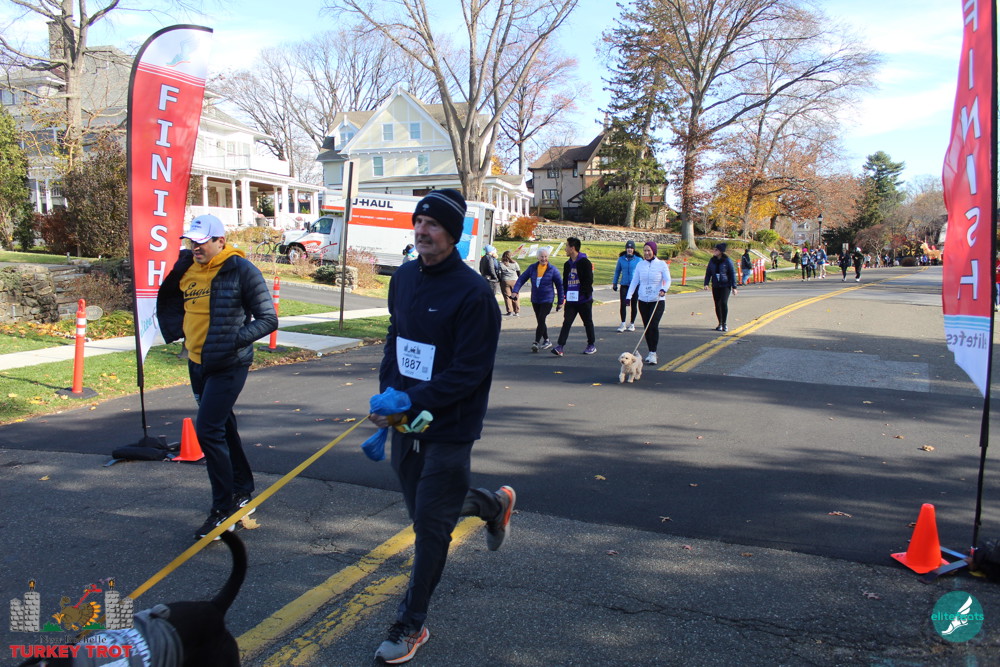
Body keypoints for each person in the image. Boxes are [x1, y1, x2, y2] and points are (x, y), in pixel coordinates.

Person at [367, 189, 515, 665]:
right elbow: (395, 338)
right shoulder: (404, 278)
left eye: (432, 225)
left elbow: (470, 371)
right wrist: (389, 395)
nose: (422, 231)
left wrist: (412, 400)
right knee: (426, 514)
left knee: (431, 529)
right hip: (405, 418)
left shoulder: (474, 294)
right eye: (418, 222)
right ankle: (492, 504)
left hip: (451, 424)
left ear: (453, 234)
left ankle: (411, 623)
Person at [156, 214, 278, 540]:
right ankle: (242, 488)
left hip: (229, 363)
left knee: (208, 430)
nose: (195, 247)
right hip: (197, 363)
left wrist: (233, 339)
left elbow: (268, 319)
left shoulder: (241, 270)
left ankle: (223, 510)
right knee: (222, 425)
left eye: (201, 242)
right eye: (191, 242)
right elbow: (173, 300)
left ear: (220, 241)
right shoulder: (186, 267)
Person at [626, 240, 671, 365]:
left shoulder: (661, 264)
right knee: (647, 327)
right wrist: (628, 296)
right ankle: (650, 351)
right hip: (643, 300)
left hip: (657, 300)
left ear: (654, 251)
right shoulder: (640, 265)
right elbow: (635, 281)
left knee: (653, 325)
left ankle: (653, 353)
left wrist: (664, 289)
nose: (646, 253)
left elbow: (668, 280)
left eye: (649, 251)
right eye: (645, 250)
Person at [511, 246, 563, 352]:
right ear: (537, 257)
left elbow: (560, 286)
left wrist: (560, 301)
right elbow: (521, 279)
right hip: (536, 299)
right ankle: (547, 340)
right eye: (542, 257)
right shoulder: (532, 268)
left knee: (541, 318)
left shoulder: (553, 270)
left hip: (547, 299)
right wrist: (515, 291)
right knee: (540, 320)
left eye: (546, 256)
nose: (544, 259)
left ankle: (536, 342)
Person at [552, 237, 597, 356]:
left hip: (584, 299)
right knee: (567, 322)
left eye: (567, 246)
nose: (565, 249)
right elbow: (565, 282)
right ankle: (560, 346)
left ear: (572, 248)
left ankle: (591, 344)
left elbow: (589, 280)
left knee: (587, 322)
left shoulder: (585, 262)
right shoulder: (567, 264)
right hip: (571, 300)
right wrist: (564, 296)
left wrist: (582, 293)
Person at [703, 242, 737, 332]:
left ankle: (724, 323)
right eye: (714, 249)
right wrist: (706, 283)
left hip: (725, 285)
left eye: (716, 250)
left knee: (723, 303)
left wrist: (734, 287)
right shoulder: (712, 261)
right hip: (716, 285)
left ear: (721, 251)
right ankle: (720, 323)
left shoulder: (727, 261)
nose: (714, 251)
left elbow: (732, 273)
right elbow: (708, 273)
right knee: (717, 304)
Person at [612, 240, 641, 332]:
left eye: (631, 248)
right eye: (628, 248)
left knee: (634, 304)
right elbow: (617, 271)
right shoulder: (621, 259)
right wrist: (615, 283)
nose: (629, 250)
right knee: (623, 304)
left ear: (634, 249)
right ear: (626, 249)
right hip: (624, 284)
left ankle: (632, 323)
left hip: (634, 285)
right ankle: (623, 323)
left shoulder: (638, 260)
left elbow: (642, 273)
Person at [498, 250, 521, 316]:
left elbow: (499, 273)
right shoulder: (515, 263)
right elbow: (518, 272)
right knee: (515, 295)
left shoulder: (501, 264)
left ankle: (510, 311)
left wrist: (500, 280)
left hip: (505, 281)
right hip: (514, 280)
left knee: (507, 296)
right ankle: (517, 311)